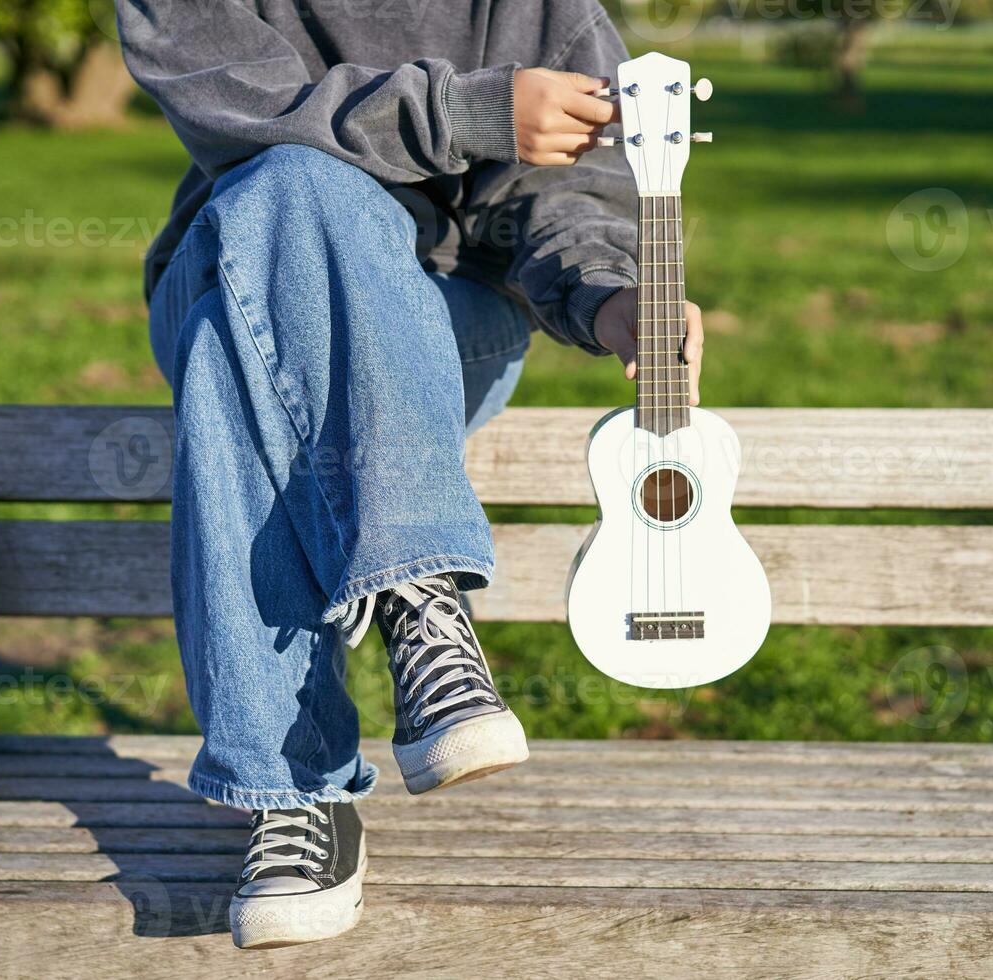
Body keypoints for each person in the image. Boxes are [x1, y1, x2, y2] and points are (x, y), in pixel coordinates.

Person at [116, 0, 704, 948]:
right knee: (296, 188)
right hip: (227, 263)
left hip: (438, 318)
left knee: (235, 363)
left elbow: (564, 194)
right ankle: (421, 600)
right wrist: (467, 115)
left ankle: (292, 794)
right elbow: (252, 114)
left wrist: (608, 292)